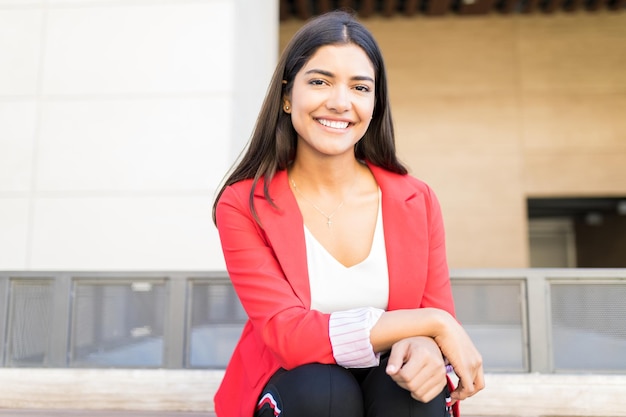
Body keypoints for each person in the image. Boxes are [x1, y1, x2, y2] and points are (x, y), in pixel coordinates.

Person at [211, 10, 484, 417]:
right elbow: (287, 334)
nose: (340, 102)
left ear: (374, 103)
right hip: (299, 391)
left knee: (411, 394)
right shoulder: (244, 204)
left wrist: (428, 343)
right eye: (320, 81)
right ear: (287, 95)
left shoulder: (416, 199)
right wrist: (434, 324)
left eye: (360, 87)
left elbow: (433, 315)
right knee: (324, 390)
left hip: (388, 385)